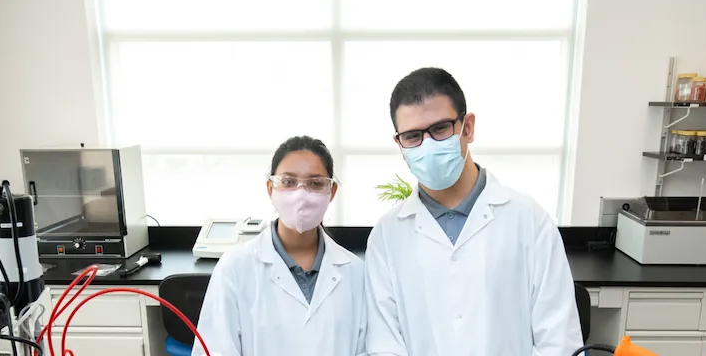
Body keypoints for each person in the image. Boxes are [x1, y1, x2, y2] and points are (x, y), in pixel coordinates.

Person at [365, 67, 582, 355]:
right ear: (399, 143)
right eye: (413, 136)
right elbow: (385, 345)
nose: (427, 144)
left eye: (440, 128)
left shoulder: (529, 220)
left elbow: (559, 342)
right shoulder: (387, 236)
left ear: (467, 127)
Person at [193, 136, 367, 356]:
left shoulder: (355, 272)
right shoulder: (234, 268)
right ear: (270, 188)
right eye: (288, 182)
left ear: (331, 192)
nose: (301, 194)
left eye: (315, 183)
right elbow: (215, 350)